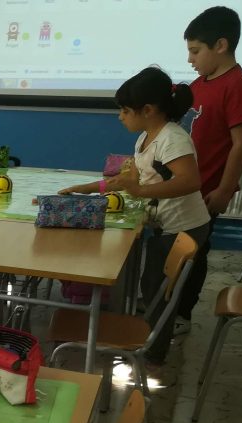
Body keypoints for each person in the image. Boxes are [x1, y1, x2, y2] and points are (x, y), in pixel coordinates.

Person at [60, 67, 210, 364]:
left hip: (183, 228)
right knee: (152, 285)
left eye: (125, 111)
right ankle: (151, 339)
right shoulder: (145, 137)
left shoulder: (172, 139)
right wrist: (87, 188)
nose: (120, 117)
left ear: (148, 110)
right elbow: (128, 180)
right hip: (167, 227)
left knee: (157, 290)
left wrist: (140, 192)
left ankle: (153, 354)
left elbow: (190, 181)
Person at [178, 6, 242, 334]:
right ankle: (166, 301)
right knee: (176, 250)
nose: (190, 59)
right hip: (184, 187)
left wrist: (224, 189)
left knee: (194, 253)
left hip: (207, 190)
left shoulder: (238, 86)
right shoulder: (200, 83)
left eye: (196, 51)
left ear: (221, 45)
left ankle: (180, 314)